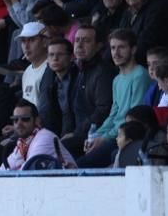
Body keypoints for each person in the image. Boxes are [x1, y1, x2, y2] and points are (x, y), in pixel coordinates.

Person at [79, 29, 152, 167]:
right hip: (115, 135)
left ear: (133, 49)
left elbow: (133, 119)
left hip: (128, 137)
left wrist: (104, 138)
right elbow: (114, 114)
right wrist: (96, 136)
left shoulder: (140, 76)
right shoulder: (117, 80)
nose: (116, 53)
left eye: (121, 47)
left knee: (83, 164)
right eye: (113, 48)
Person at [72, 24, 118, 155]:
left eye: (86, 41)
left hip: (93, 136)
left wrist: (76, 133)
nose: (79, 45)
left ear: (98, 46)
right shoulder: (77, 70)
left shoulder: (103, 72)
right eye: (77, 40)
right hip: (80, 133)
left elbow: (103, 110)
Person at [0, 99, 78, 170]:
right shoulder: (22, 144)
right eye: (15, 119)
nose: (19, 124)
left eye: (25, 119)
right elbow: (0, 172)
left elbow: (27, 173)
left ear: (37, 120)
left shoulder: (45, 138)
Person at [38, 37, 80, 140]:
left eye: (60, 54)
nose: (55, 58)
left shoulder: (79, 78)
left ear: (71, 57)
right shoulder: (49, 81)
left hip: (76, 134)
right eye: (51, 55)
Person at [18, 22, 49, 107]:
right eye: (23, 41)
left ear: (44, 42)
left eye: (32, 40)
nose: (26, 46)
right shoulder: (27, 71)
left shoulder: (51, 67)